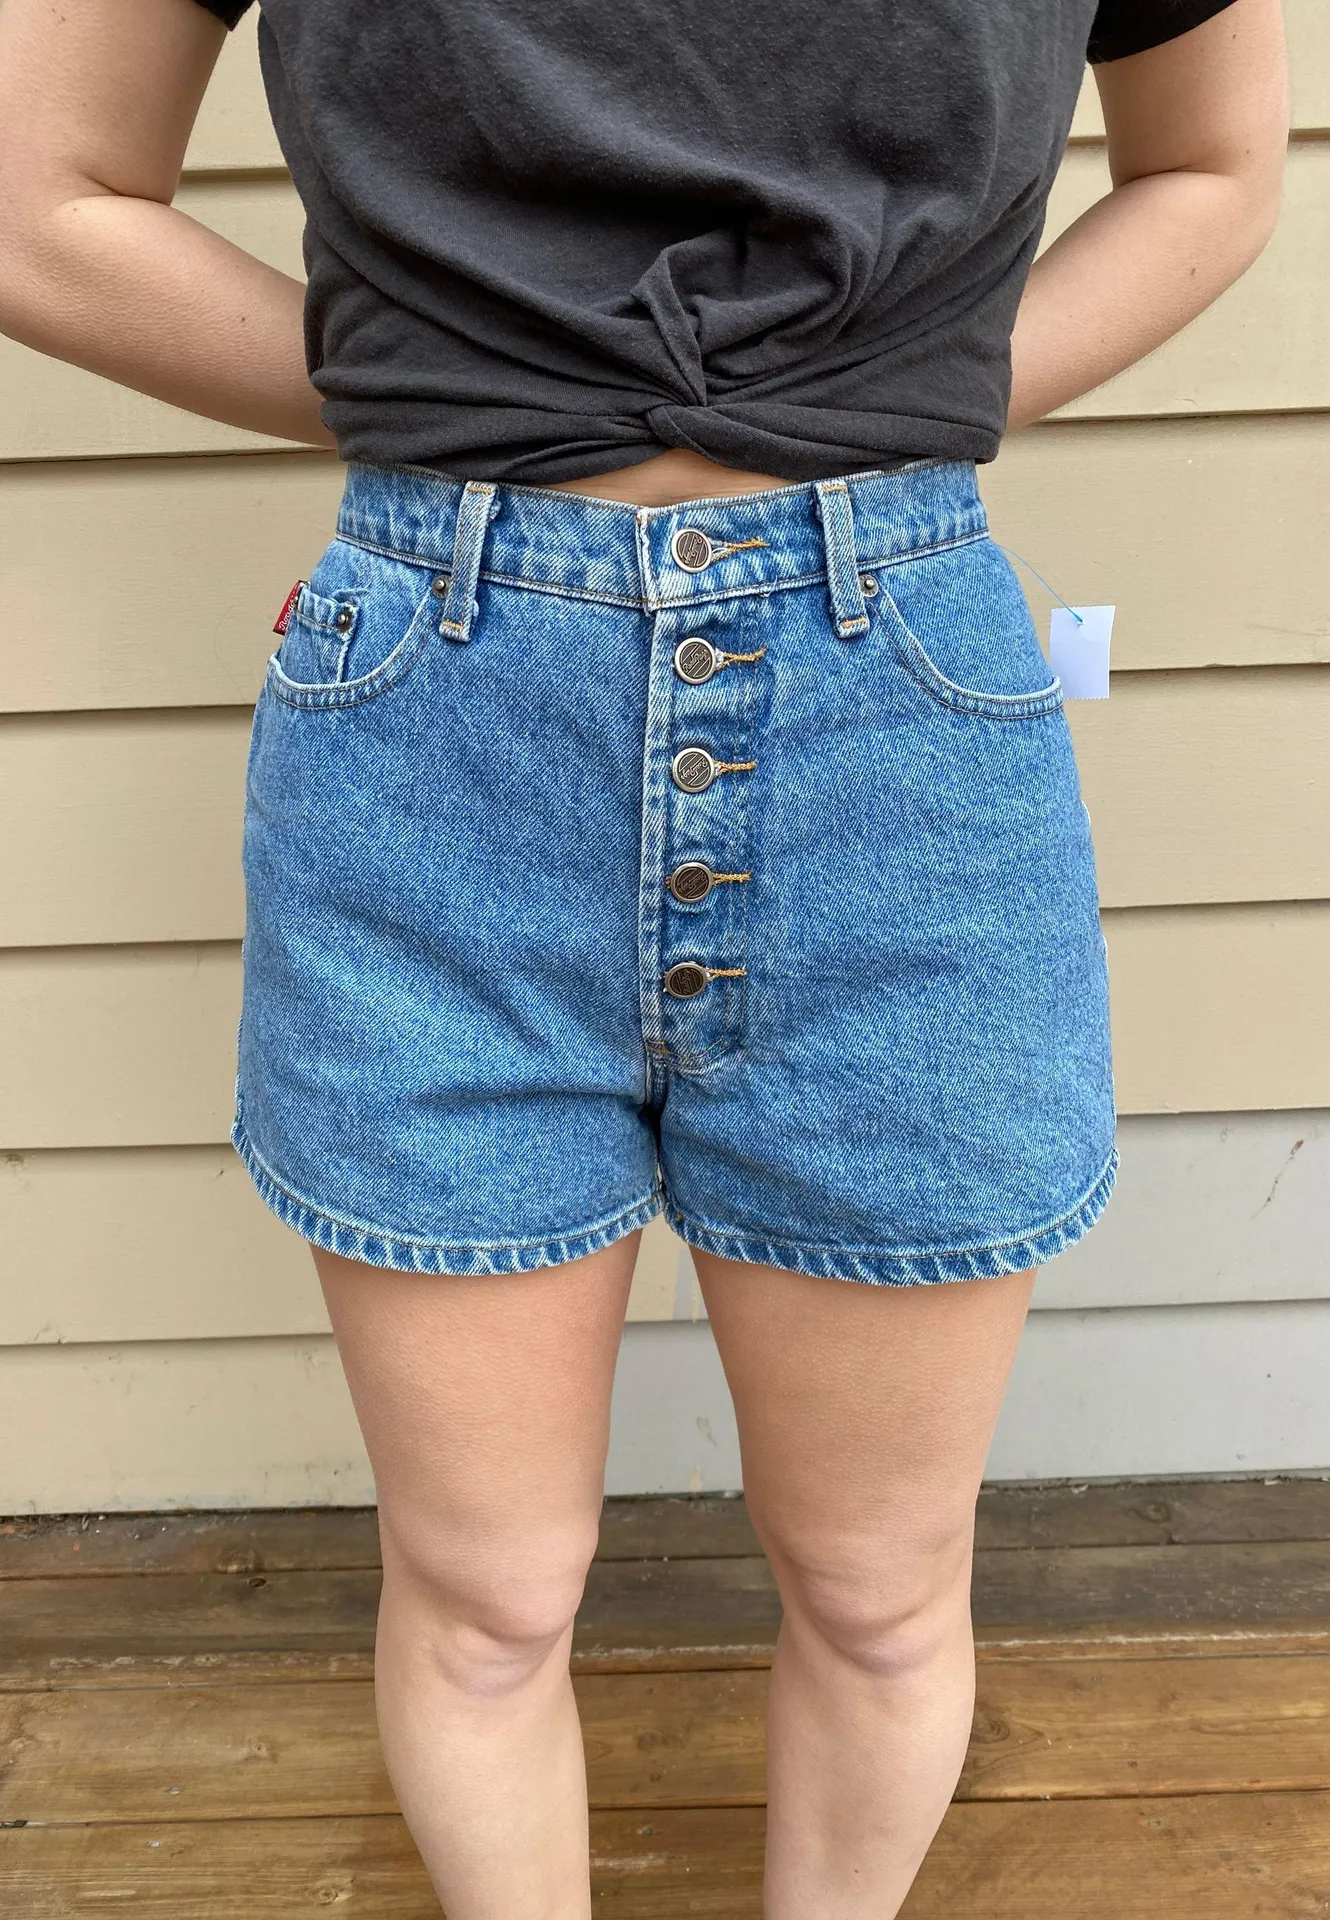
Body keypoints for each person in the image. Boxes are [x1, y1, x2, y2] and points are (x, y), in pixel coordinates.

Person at [0, 0, 1288, 1912]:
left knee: (876, 1584)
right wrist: (430, 398)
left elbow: (1212, 162)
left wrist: (895, 404)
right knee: (486, 1592)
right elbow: (36, 199)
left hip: (894, 716)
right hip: (441, 713)